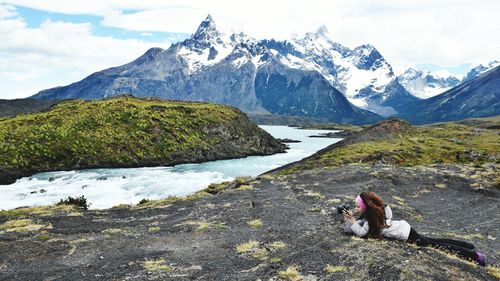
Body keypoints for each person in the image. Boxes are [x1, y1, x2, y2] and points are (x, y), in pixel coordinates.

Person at [342, 191, 486, 266]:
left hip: (406, 234)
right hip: (405, 227)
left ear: (366, 207)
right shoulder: (377, 213)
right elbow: (375, 219)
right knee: (433, 241)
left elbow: (362, 233)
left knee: (437, 245)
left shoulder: (371, 220)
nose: (356, 208)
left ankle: (476, 256)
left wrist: (353, 220)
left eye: (358, 205)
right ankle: (468, 245)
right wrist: (355, 216)